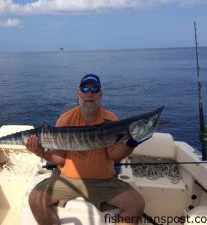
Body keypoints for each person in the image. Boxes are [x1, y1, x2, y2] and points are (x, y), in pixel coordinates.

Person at [25, 74, 146, 225]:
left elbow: (114, 156)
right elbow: (60, 159)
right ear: (78, 93)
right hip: (67, 179)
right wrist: (40, 152)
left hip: (103, 181)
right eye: (85, 89)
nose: (89, 93)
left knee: (136, 204)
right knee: (36, 199)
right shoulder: (66, 119)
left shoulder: (110, 119)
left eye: (94, 89)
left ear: (100, 94)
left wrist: (132, 143)